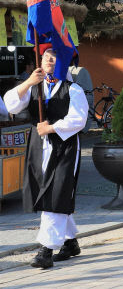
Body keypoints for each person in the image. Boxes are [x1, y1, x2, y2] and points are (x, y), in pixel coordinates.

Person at [3, 44, 89, 269]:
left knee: (55, 192)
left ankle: (46, 249)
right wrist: (29, 82)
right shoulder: (34, 87)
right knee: (47, 192)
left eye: (54, 58)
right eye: (46, 58)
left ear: (63, 63)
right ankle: (70, 242)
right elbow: (10, 104)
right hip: (39, 146)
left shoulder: (73, 89)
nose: (49, 61)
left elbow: (78, 120)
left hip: (65, 147)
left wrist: (51, 128)